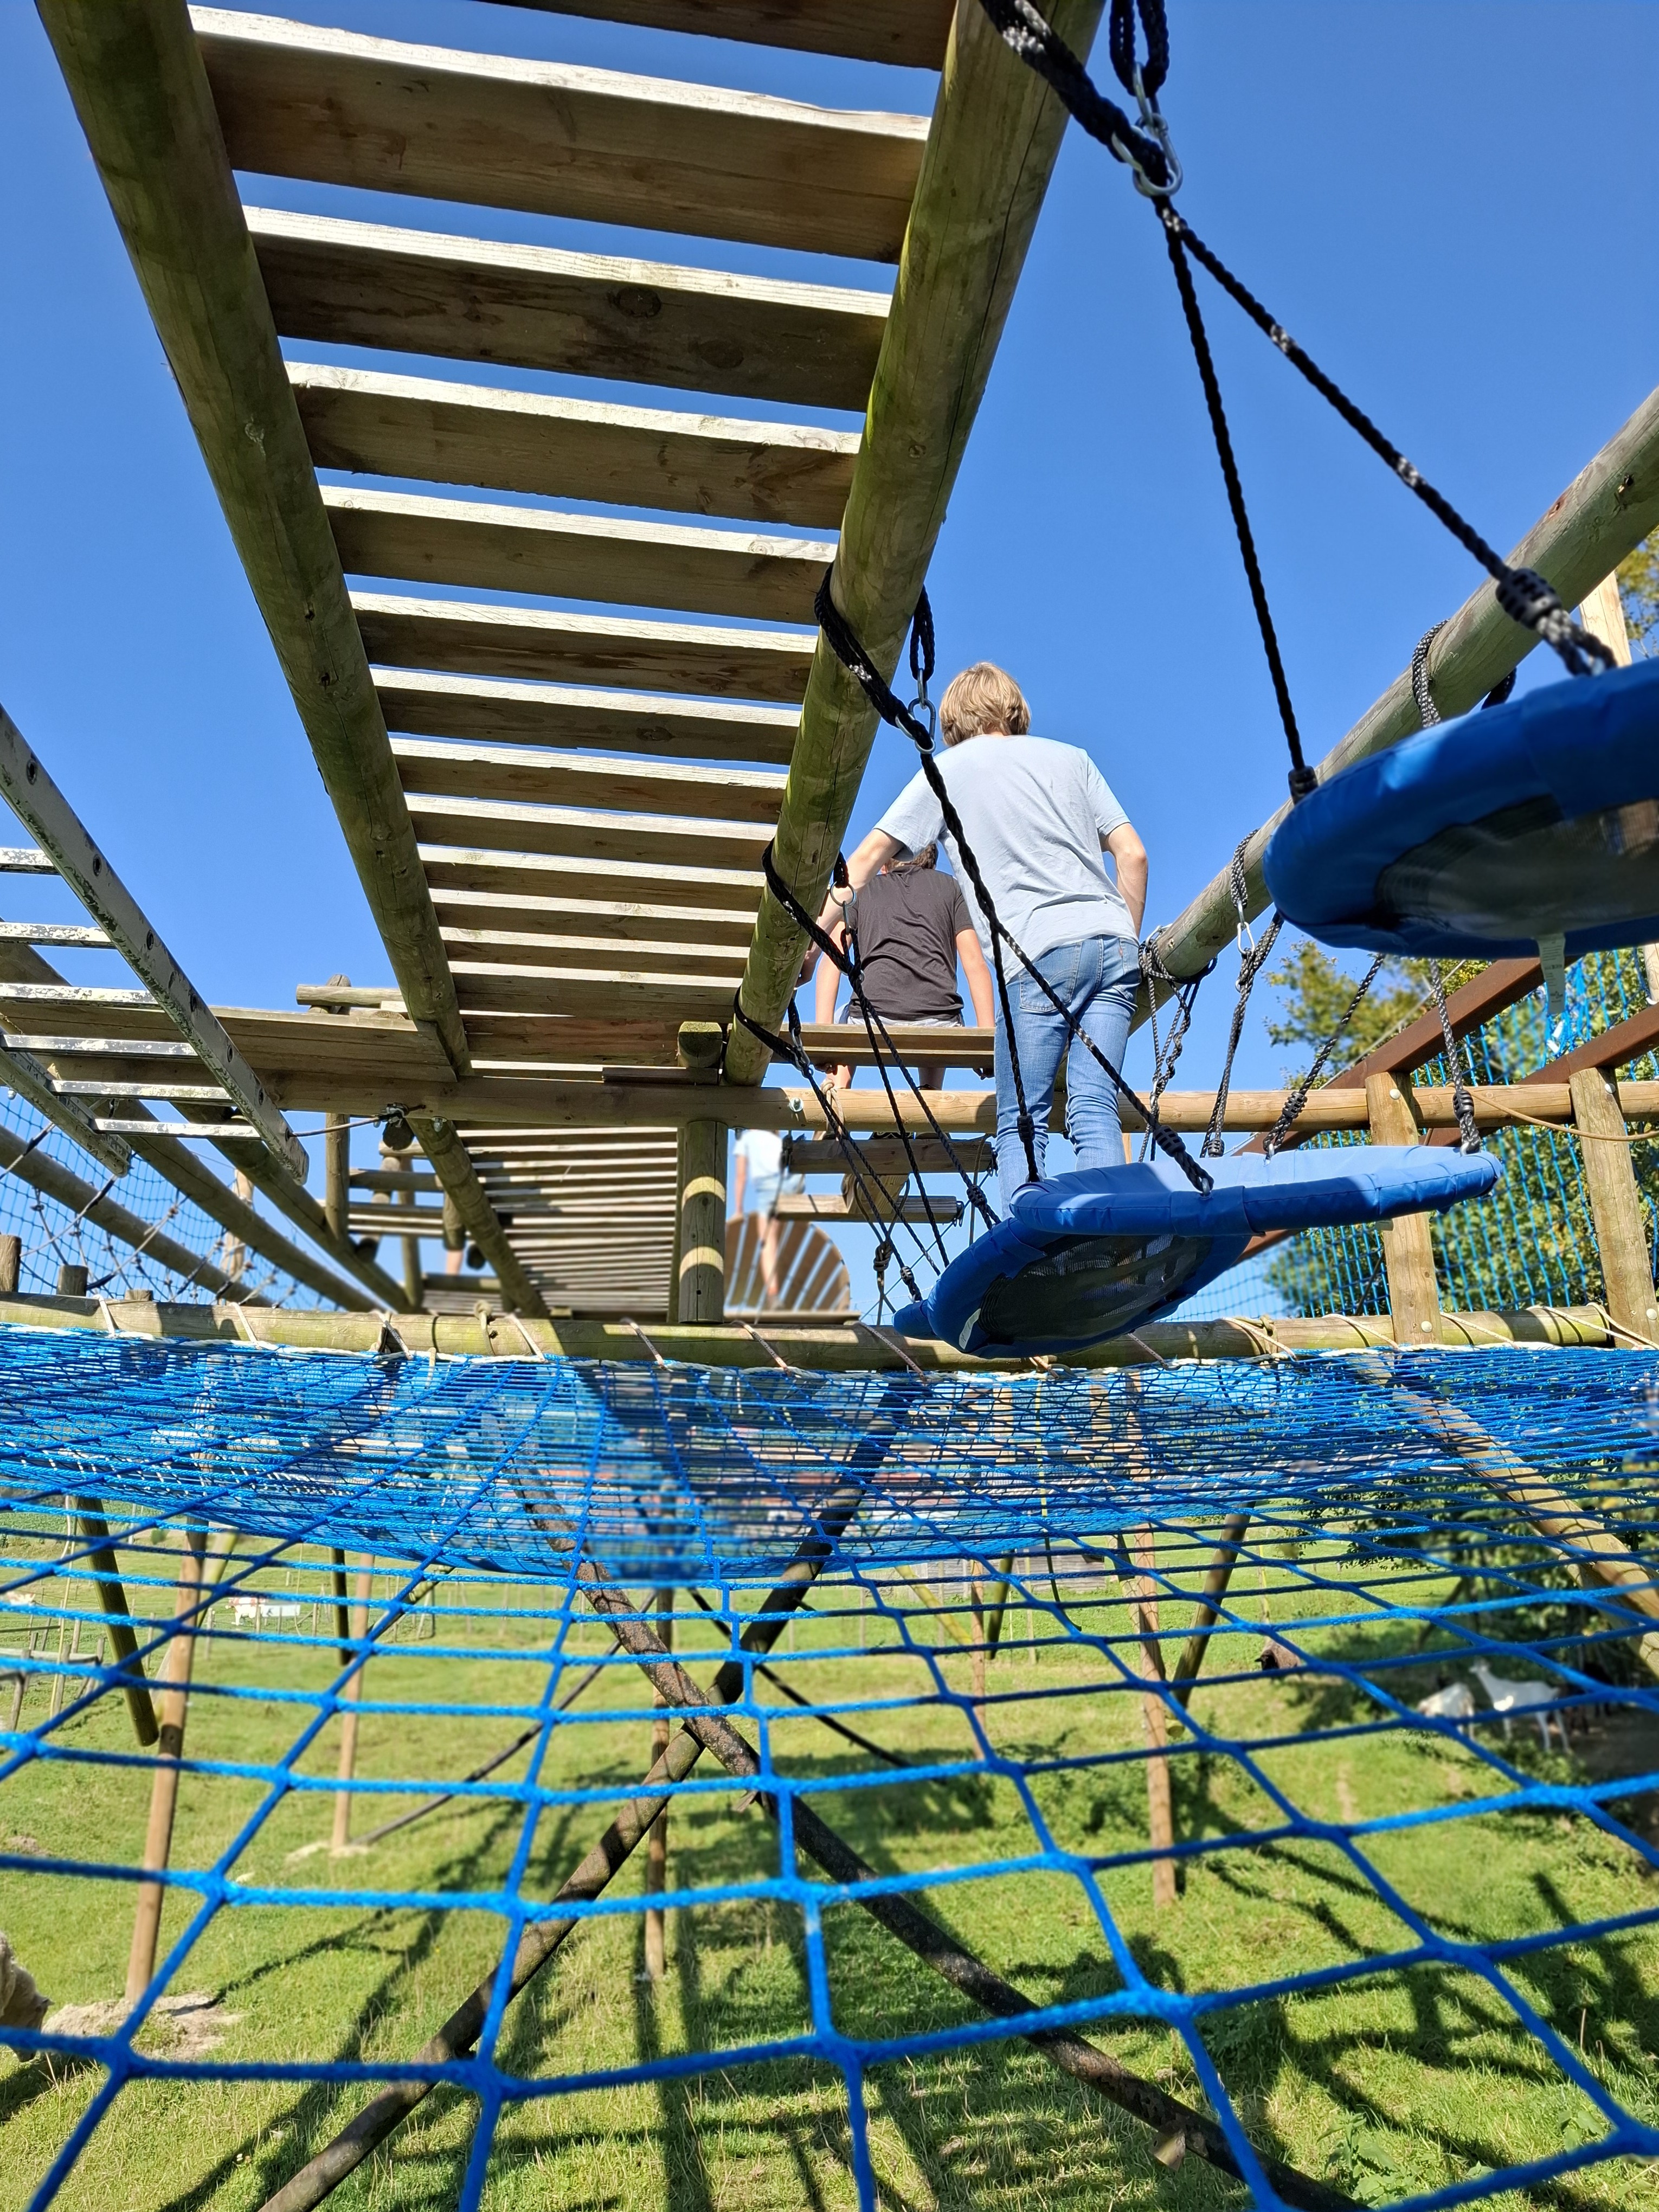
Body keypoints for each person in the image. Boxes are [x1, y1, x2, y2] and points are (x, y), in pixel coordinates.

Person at [827, 661, 1148, 1210]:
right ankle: (1108, 1240)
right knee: (1095, 1107)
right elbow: (1133, 855)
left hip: (1036, 956)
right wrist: (1118, 939)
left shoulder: (946, 771)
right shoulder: (1074, 760)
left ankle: (1032, 1249)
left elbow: (862, 861)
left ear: (952, 721)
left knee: (1023, 1120)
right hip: (1113, 943)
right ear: (1014, 710)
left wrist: (813, 942)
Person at [812, 843, 994, 1091]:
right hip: (939, 1023)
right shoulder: (950, 887)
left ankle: (837, 1090)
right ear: (932, 862)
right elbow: (975, 963)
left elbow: (831, 960)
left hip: (871, 1021)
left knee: (843, 1015)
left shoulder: (865, 889)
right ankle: (930, 1094)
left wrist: (825, 1039)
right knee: (939, 1007)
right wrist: (986, 1041)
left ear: (884, 863)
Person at [731, 1126, 801, 1308]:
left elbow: (741, 1177)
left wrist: (739, 1208)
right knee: (775, 1239)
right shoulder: (773, 1133)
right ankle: (799, 1171)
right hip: (784, 1184)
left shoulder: (746, 1140)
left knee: (768, 1243)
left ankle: (773, 1293)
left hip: (769, 1190)